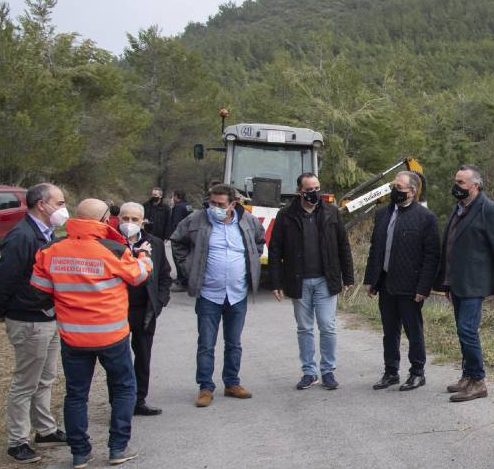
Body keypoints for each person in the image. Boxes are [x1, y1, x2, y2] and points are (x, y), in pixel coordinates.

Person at [29, 198, 153, 468]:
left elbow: (39, 288)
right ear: (103, 220)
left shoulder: (51, 250)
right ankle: (118, 448)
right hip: (111, 335)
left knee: (76, 394)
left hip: (73, 337)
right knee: (123, 389)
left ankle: (80, 453)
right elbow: (139, 276)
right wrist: (144, 256)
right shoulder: (114, 250)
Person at [0, 183, 69, 463]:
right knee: (26, 382)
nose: (63, 209)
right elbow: (4, 278)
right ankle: (17, 440)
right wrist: (4, 309)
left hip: (48, 316)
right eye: (59, 203)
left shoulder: (47, 234)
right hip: (28, 319)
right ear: (41, 204)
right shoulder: (22, 236)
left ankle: (44, 429)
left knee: (46, 378)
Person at [171, 184, 265, 407]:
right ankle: (205, 387)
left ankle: (232, 383)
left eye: (220, 204)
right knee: (206, 343)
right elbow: (177, 241)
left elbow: (259, 243)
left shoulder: (248, 221)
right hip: (208, 295)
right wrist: (187, 269)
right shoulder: (196, 220)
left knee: (234, 343)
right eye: (212, 203)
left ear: (233, 204)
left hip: (237, 294)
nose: (214, 207)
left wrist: (251, 263)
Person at [268, 173, 354, 390]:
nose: (315, 192)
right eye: (310, 189)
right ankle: (309, 372)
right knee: (305, 327)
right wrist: (276, 282)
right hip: (299, 280)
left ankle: (328, 371)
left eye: (317, 187)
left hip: (326, 279)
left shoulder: (331, 212)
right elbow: (275, 249)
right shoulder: (286, 215)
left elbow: (343, 245)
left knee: (327, 325)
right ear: (300, 191)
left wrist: (348, 276)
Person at [433, 165, 494, 402]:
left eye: (462, 183)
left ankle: (478, 381)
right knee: (461, 330)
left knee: (467, 330)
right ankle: (467, 376)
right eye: (456, 181)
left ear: (475, 186)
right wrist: (445, 282)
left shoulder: (489, 210)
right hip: (456, 282)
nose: (457, 186)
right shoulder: (459, 209)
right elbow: (450, 245)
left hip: (475, 282)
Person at [363, 172, 440, 391]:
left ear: (412, 192)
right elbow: (375, 249)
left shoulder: (426, 218)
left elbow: (432, 256)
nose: (394, 190)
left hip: (410, 286)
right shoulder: (382, 214)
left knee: (413, 331)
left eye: (398, 187)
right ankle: (390, 372)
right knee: (389, 331)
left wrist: (423, 288)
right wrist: (370, 279)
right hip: (386, 282)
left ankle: (417, 372)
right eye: (393, 185)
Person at [118, 202, 171, 416]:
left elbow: (165, 276)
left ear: (142, 221)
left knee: (143, 355)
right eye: (125, 218)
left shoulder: (155, 244)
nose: (129, 224)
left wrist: (159, 301)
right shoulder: (110, 244)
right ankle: (119, 400)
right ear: (118, 219)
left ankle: (139, 399)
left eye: (134, 219)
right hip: (116, 309)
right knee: (119, 359)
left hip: (145, 309)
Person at [167, 189, 191, 292]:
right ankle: (184, 279)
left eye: (173, 197)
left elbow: (176, 223)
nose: (173, 199)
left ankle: (182, 282)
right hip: (188, 236)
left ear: (177, 197)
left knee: (178, 259)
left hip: (179, 237)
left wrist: (171, 235)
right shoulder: (188, 206)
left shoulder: (177, 207)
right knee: (185, 258)